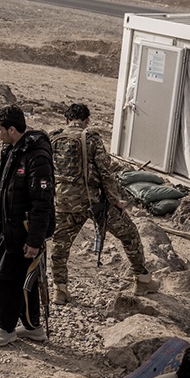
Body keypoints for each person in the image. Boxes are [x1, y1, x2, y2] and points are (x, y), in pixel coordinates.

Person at [49, 103, 159, 304]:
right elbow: (105, 172)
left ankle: (60, 290)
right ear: (87, 119)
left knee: (60, 246)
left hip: (62, 201)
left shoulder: (53, 138)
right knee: (129, 234)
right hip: (92, 202)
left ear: (67, 120)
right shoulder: (91, 138)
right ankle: (142, 280)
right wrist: (115, 200)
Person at [0, 105, 55, 347]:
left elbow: (42, 203)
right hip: (6, 228)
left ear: (12, 129)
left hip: (20, 233)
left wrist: (34, 241)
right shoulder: (13, 150)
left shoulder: (36, 157)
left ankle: (6, 329)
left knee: (5, 280)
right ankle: (32, 327)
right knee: (22, 280)